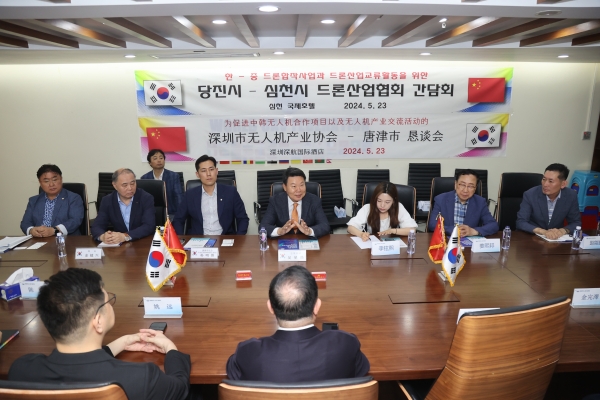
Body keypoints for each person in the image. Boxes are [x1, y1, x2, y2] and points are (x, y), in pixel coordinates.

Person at [8, 268, 190, 400]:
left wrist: (122, 342)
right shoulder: (142, 377)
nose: (110, 304)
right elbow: (180, 386)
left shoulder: (22, 370)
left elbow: (81, 364)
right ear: (98, 321)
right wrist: (170, 348)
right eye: (108, 301)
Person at [226, 265, 370, 382]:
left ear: (270, 308)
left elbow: (233, 372)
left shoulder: (248, 353)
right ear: (317, 306)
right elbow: (359, 372)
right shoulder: (346, 344)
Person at [173, 155, 249, 235]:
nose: (208, 174)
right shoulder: (190, 195)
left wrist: (238, 239)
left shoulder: (230, 192)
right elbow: (178, 220)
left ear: (216, 171)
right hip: (199, 239)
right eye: (203, 171)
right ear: (197, 174)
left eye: (211, 169)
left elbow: (243, 218)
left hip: (224, 238)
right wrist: (181, 239)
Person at [516, 163, 581, 239]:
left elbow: (576, 222)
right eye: (544, 179)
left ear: (563, 184)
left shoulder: (571, 195)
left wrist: (562, 231)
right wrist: (543, 232)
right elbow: (521, 222)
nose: (545, 184)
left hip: (555, 239)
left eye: (551, 181)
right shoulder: (530, 194)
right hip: (532, 237)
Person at [261, 168, 330, 238]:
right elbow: (263, 226)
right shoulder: (275, 201)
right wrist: (280, 231)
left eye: (301, 185)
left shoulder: (314, 200)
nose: (299, 190)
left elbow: (325, 225)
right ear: (285, 187)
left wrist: (309, 231)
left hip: (306, 240)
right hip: (284, 240)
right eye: (294, 186)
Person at [91, 168, 155, 243]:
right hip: (119, 245)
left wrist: (125, 236)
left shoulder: (146, 198)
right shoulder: (107, 200)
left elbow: (149, 226)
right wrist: (103, 237)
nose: (130, 188)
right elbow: (97, 226)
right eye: (125, 185)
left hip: (142, 242)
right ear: (115, 186)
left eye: (132, 183)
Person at [428, 169, 498, 236]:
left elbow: (493, 225)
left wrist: (473, 231)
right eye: (462, 185)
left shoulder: (480, 202)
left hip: (470, 242)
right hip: (447, 240)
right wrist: (455, 230)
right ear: (455, 184)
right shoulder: (441, 199)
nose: (465, 190)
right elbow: (432, 224)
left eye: (470, 186)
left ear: (475, 188)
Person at [20, 164, 84, 237]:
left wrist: (54, 230)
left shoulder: (74, 198)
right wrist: (31, 230)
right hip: (39, 240)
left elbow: (75, 220)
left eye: (55, 180)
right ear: (40, 183)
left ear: (61, 179)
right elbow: (25, 223)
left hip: (66, 240)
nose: (51, 184)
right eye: (46, 181)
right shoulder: (33, 201)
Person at [347, 182, 418, 241]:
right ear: (375, 199)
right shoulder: (367, 208)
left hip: (392, 245)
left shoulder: (399, 207)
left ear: (393, 201)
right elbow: (350, 227)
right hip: (372, 245)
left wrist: (392, 231)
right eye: (379, 201)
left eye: (387, 202)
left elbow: (412, 230)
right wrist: (361, 234)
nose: (382, 205)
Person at [141, 149, 183, 219]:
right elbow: (144, 200)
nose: (159, 160)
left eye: (161, 158)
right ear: (150, 163)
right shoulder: (145, 178)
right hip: (152, 214)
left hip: (171, 213)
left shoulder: (173, 176)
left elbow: (179, 197)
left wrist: (180, 215)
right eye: (155, 158)